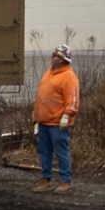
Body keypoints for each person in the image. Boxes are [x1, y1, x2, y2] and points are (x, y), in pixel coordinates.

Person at [32, 42, 80, 191]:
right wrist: (36, 115)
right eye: (53, 54)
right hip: (43, 121)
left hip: (58, 123)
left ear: (62, 59)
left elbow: (73, 100)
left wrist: (67, 116)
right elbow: (41, 96)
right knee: (44, 152)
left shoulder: (69, 77)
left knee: (61, 152)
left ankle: (66, 181)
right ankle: (46, 180)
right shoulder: (48, 73)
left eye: (56, 55)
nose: (52, 57)